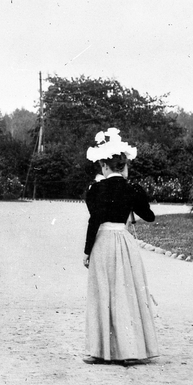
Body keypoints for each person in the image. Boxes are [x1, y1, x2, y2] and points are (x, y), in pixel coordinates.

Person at [82, 128, 159, 366]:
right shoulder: (132, 189)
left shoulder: (95, 189)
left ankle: (99, 351)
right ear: (123, 166)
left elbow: (94, 220)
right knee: (126, 293)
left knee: (102, 293)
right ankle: (130, 349)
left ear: (105, 166)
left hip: (103, 242)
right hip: (124, 242)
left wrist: (87, 251)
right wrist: (138, 197)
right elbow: (149, 216)